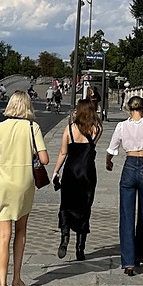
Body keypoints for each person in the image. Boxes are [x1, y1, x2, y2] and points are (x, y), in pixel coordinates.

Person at [0, 90, 49, 286]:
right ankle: (17, 278)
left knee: (3, 236)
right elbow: (45, 158)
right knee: (21, 231)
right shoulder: (33, 127)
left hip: (2, 184)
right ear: (28, 106)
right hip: (23, 183)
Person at [106, 96, 143, 275]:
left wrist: (109, 161)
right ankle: (140, 253)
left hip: (129, 165)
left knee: (127, 215)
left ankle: (128, 261)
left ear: (129, 109)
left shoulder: (122, 126)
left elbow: (112, 148)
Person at [51, 97, 102, 261]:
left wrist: (56, 171)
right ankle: (80, 249)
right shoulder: (96, 130)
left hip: (71, 172)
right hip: (87, 173)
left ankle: (64, 239)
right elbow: (93, 142)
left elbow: (63, 153)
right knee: (84, 208)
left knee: (66, 205)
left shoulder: (69, 130)